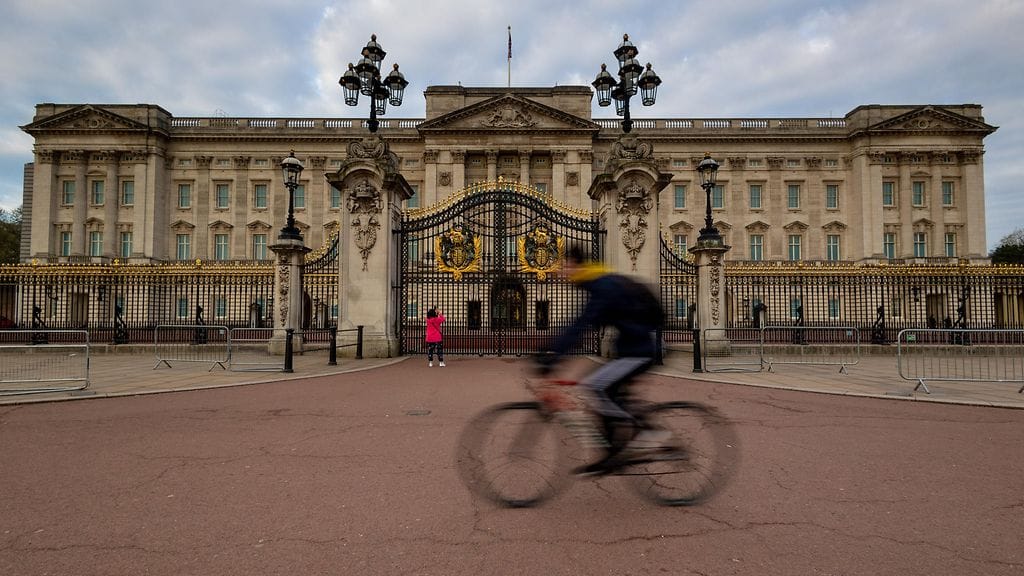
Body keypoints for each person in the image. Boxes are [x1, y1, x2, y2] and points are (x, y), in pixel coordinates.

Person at [534, 245, 667, 476]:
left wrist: (553, 358)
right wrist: (552, 350)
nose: (561, 272)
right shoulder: (598, 282)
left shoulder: (603, 285)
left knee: (593, 386)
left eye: (565, 266)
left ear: (576, 264)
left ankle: (646, 435)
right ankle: (612, 453)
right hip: (631, 348)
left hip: (641, 350)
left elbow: (582, 325)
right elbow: (581, 323)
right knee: (606, 391)